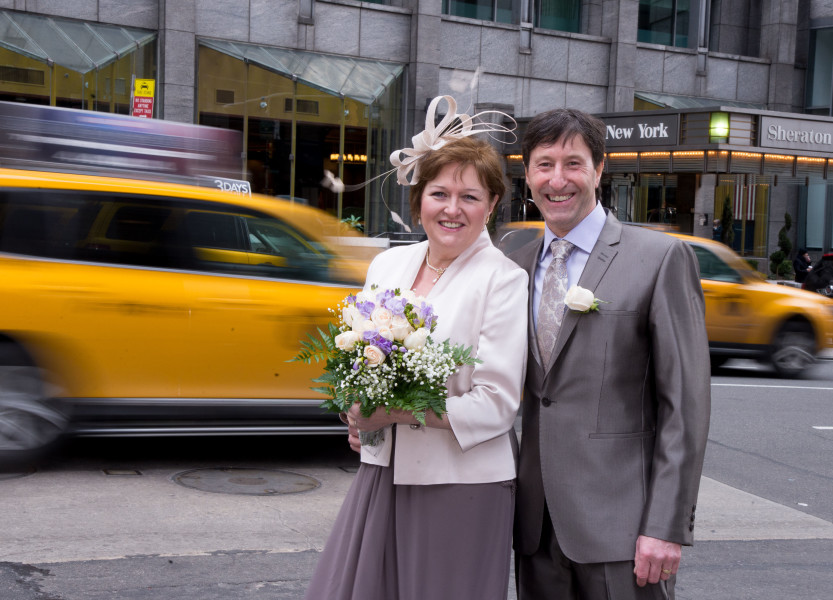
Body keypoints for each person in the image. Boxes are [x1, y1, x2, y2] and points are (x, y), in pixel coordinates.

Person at [305, 129, 529, 597]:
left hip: (462, 484)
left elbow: (496, 403)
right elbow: (364, 362)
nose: (452, 209)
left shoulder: (504, 280)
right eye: (439, 193)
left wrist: (393, 412)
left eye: (469, 196)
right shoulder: (388, 266)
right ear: (418, 199)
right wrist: (357, 411)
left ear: (490, 206)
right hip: (383, 470)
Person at [510, 108, 711, 599]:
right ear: (527, 175)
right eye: (544, 164)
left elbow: (684, 406)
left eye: (573, 163)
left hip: (624, 528)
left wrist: (665, 525)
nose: (558, 180)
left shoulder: (659, 258)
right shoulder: (509, 257)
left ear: (600, 170)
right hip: (535, 528)